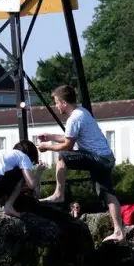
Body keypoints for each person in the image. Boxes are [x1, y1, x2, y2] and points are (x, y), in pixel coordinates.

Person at [36, 86, 127, 242]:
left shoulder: (74, 118)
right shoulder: (82, 112)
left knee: (63, 156)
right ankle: (119, 231)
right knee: (106, 193)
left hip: (97, 159)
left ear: (63, 102)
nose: (56, 106)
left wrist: (46, 147)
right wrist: (50, 136)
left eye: (56, 102)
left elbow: (67, 146)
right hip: (106, 158)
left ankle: (59, 194)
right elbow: (69, 138)